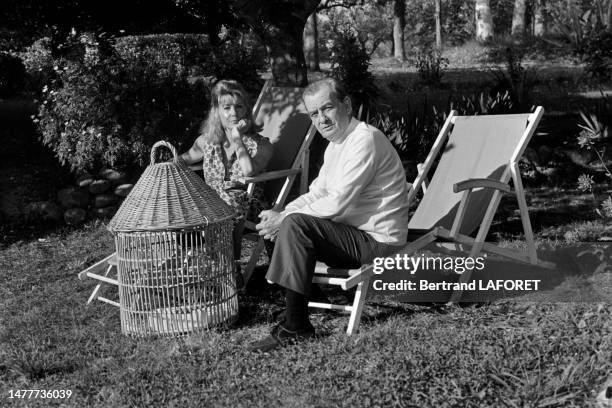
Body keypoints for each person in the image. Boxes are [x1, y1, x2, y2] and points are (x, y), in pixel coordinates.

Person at [250, 77, 410, 352]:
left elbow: (337, 203)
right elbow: (317, 192)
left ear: (346, 105)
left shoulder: (365, 139)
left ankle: (296, 325)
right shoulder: (337, 144)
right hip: (352, 235)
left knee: (295, 224)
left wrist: (288, 218)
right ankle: (299, 303)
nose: (321, 119)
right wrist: (282, 212)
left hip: (378, 241)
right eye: (314, 113)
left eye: (327, 108)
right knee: (282, 219)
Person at [181, 80, 273, 279]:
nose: (234, 113)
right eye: (227, 107)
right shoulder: (207, 141)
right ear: (217, 111)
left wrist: (236, 137)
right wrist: (164, 164)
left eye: (239, 106)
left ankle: (229, 273)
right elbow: (183, 159)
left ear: (247, 111)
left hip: (247, 207)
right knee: (184, 207)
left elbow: (248, 171)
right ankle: (211, 263)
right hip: (210, 204)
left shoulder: (261, 145)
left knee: (226, 207)